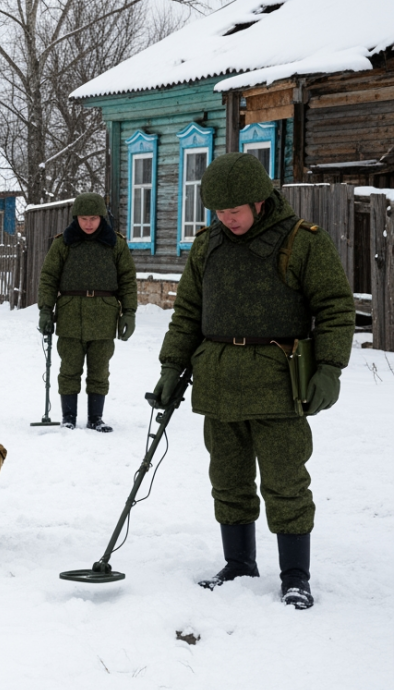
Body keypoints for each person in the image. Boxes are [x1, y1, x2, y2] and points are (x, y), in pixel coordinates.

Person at [150, 153, 354, 610]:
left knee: (286, 482)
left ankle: (295, 577)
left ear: (260, 201)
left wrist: (330, 367)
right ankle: (239, 564)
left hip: (278, 382)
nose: (227, 219)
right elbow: (187, 314)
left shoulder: (302, 243)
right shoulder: (208, 245)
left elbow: (337, 308)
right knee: (227, 480)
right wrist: (170, 367)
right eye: (219, 212)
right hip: (218, 381)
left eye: (234, 211)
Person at [37, 193, 137, 431]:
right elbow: (49, 278)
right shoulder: (63, 244)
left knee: (99, 369)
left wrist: (129, 312)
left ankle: (95, 418)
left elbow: (127, 280)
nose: (89, 223)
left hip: (104, 315)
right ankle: (68, 417)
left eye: (94, 218)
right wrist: (44, 310)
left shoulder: (116, 244)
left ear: (102, 218)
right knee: (69, 367)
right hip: (70, 314)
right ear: (76, 218)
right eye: (84, 218)